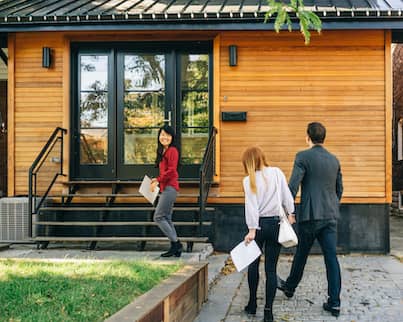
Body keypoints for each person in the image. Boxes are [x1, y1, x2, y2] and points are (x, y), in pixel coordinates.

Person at [277, 122, 343, 317]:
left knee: (301, 254)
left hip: (310, 216)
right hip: (330, 216)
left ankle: (290, 287)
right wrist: (332, 205)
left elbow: (292, 187)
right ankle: (335, 302)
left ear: (308, 137)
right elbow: (340, 189)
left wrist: (288, 211)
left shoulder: (302, 157)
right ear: (324, 138)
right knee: (331, 258)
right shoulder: (334, 160)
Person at [242, 146, 295, 322]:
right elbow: (287, 196)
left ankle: (251, 304)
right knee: (271, 269)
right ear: (262, 157)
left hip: (258, 227)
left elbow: (251, 206)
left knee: (253, 265)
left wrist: (251, 230)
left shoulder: (248, 179)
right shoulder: (277, 173)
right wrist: (291, 213)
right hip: (276, 224)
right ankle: (268, 311)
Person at [151, 125, 183, 257]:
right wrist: (156, 180)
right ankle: (175, 246)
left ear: (172, 138)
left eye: (167, 135)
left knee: (158, 216)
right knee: (167, 218)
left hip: (170, 188)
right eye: (162, 134)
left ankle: (176, 243)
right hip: (166, 188)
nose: (164, 137)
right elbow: (165, 171)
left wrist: (158, 180)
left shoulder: (172, 151)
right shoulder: (163, 151)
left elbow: (171, 171)